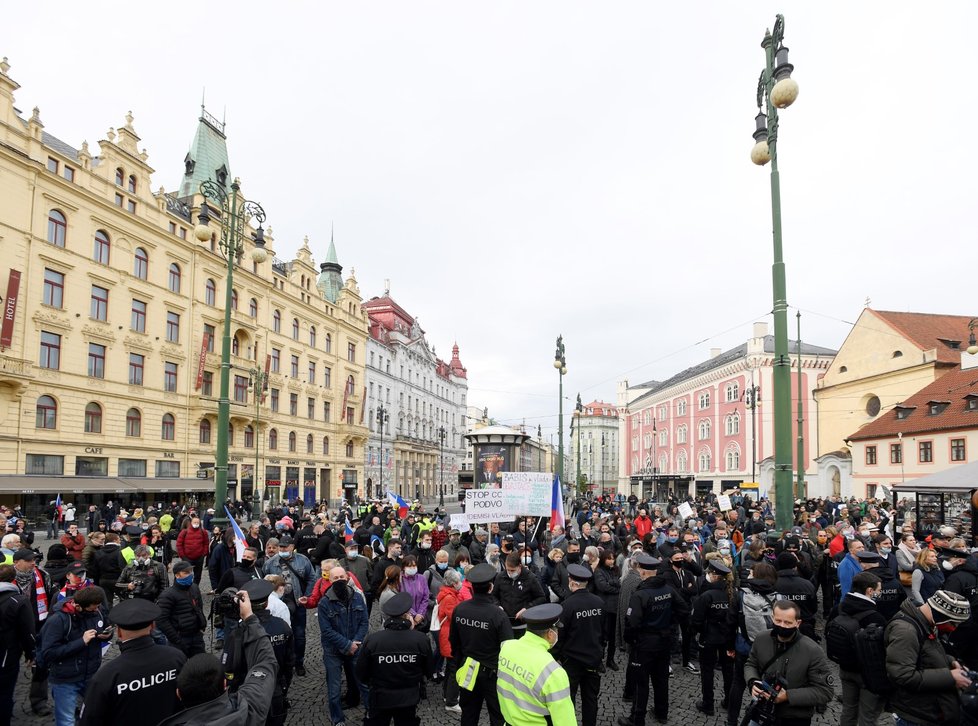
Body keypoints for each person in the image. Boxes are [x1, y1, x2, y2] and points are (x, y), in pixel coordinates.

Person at [157, 589, 277, 726]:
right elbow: (265, 662)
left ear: (178, 694)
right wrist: (250, 618)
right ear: (225, 685)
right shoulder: (248, 711)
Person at [76, 598, 187, 726]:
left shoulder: (106, 676)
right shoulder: (176, 657)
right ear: (152, 626)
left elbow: (89, 720)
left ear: (119, 632)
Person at [620, 553, 690, 726]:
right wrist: (668, 624)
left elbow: (631, 623)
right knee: (661, 680)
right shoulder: (668, 589)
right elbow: (683, 609)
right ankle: (661, 713)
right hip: (664, 641)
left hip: (644, 644)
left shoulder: (640, 594)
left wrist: (631, 641)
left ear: (643, 572)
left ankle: (637, 719)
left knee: (640, 682)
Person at [886, 589, 973, 726]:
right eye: (953, 623)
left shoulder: (926, 622)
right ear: (940, 615)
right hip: (915, 714)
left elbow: (928, 652)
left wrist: (951, 662)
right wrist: (950, 677)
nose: (954, 628)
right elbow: (903, 675)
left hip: (928, 709)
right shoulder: (906, 631)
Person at [743, 600, 834, 726]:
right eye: (778, 621)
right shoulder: (761, 638)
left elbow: (825, 691)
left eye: (787, 622)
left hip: (794, 718)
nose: (782, 626)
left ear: (798, 623)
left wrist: (788, 696)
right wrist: (753, 681)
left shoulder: (813, 650)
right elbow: (750, 664)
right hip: (760, 712)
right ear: (772, 618)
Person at [448, 563, 514, 726]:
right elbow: (508, 648)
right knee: (498, 715)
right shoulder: (498, 614)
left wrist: (460, 662)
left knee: (469, 714)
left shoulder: (460, 609)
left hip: (468, 668)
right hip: (493, 673)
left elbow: (453, 641)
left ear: (471, 587)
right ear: (491, 587)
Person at [355, 590, 433, 725]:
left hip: (380, 697)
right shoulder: (421, 640)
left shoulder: (373, 640)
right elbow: (429, 670)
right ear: (407, 615)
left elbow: (361, 672)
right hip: (409, 698)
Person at [39, 586, 110, 726]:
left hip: (90, 675)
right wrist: (81, 642)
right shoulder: (58, 620)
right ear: (78, 606)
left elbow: (103, 627)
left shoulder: (97, 611)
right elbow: (48, 653)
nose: (96, 610)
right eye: (93, 608)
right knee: (67, 720)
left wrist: (106, 635)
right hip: (65, 679)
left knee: (96, 715)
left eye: (98, 607)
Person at [496, 603, 577, 726]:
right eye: (557, 630)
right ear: (550, 634)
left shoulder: (507, 647)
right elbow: (565, 721)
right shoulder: (553, 671)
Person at [232, 579, 293, 726]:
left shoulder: (239, 632)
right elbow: (289, 661)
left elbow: (233, 665)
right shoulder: (283, 626)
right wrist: (284, 685)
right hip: (276, 687)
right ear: (267, 602)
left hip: (248, 690)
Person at [830, 571, 886, 726]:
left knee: (848, 710)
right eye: (879, 590)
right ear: (870, 590)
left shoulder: (839, 608)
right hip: (868, 674)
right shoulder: (875, 617)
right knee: (867, 716)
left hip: (845, 668)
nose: (879, 593)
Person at [318, 565, 369, 726]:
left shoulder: (357, 597)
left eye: (342, 577)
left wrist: (356, 642)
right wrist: (348, 645)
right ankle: (337, 720)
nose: (339, 580)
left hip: (356, 647)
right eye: (335, 578)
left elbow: (364, 622)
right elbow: (326, 631)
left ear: (347, 578)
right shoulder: (324, 603)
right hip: (333, 651)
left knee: (364, 684)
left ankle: (372, 714)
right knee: (334, 690)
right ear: (329, 580)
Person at [553, 563, 603, 726]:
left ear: (571, 582)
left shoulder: (566, 606)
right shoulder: (598, 602)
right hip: (593, 659)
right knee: (591, 699)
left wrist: (557, 657)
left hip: (572, 661)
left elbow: (559, 637)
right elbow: (604, 632)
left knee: (568, 698)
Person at [263, 535, 314, 676]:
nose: (282, 549)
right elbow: (265, 580)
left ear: (292, 547)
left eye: (285, 547)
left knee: (299, 634)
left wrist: (307, 595)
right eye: (281, 547)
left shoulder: (303, 560)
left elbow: (311, 578)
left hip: (297, 602)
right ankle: (281, 661)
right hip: (279, 602)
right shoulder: (271, 563)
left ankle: (299, 662)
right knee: (279, 633)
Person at [691, 559, 734, 716]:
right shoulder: (732, 594)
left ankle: (708, 704)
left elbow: (696, 620)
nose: (707, 575)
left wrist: (703, 632)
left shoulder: (706, 596)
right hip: (728, 639)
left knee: (707, 671)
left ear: (714, 576)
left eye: (709, 573)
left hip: (709, 639)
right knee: (729, 671)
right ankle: (729, 702)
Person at [0, 563, 36, 726]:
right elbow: (28, 631)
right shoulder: (18, 600)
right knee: (4, 692)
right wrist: (30, 653)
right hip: (6, 654)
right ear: (13, 579)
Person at [156, 560, 207, 657]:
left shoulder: (194, 588)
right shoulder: (168, 595)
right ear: (177, 575)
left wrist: (202, 624)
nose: (190, 575)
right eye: (186, 573)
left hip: (196, 637)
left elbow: (199, 608)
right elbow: (161, 619)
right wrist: (176, 639)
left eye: (191, 572)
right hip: (180, 638)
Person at [493, 551, 547, 635]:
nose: (510, 573)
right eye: (508, 570)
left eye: (513, 570)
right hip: (504, 623)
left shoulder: (530, 577)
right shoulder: (500, 577)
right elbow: (494, 596)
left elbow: (541, 597)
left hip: (523, 624)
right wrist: (498, 605)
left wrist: (526, 608)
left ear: (519, 566)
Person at [436, 568, 464, 712]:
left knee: (449, 669)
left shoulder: (448, 595)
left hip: (447, 636)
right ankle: (452, 701)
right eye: (459, 581)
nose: (461, 583)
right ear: (453, 583)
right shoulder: (449, 598)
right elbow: (456, 618)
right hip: (450, 638)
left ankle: (447, 695)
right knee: (454, 669)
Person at [593, 547, 621, 670]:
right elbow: (603, 586)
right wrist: (615, 587)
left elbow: (619, 582)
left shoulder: (616, 570)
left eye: (613, 559)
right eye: (609, 559)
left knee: (613, 637)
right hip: (604, 607)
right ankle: (599, 660)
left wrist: (613, 584)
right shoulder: (599, 571)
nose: (611, 561)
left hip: (615, 608)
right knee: (602, 635)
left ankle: (610, 659)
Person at [175, 517, 209, 585]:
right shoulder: (184, 532)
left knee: (198, 575)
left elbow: (206, 543)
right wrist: (183, 556)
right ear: (191, 523)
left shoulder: (203, 532)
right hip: (187, 557)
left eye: (197, 523)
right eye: (194, 522)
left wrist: (203, 554)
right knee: (184, 574)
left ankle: (195, 588)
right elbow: (179, 544)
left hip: (199, 558)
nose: (196, 524)